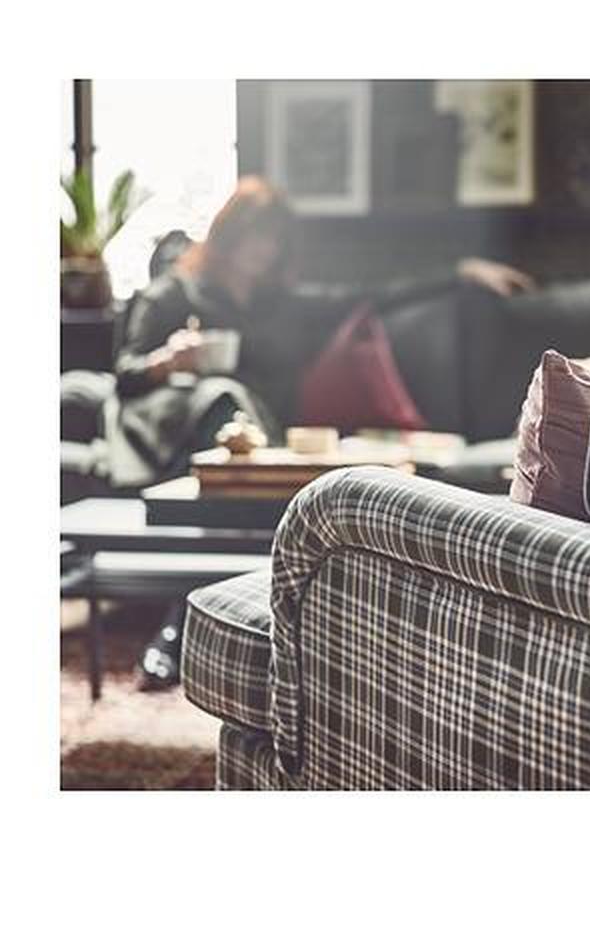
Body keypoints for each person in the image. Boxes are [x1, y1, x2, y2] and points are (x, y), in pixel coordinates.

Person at [115, 176, 537, 688]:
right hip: (177, 427)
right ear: (228, 233)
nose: (262, 248)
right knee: (221, 399)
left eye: (273, 237)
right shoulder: (174, 294)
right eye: (254, 234)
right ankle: (178, 624)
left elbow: (372, 294)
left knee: (245, 430)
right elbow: (125, 375)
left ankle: (202, 624)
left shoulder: (281, 305)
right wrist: (166, 362)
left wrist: (460, 273)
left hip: (259, 439)